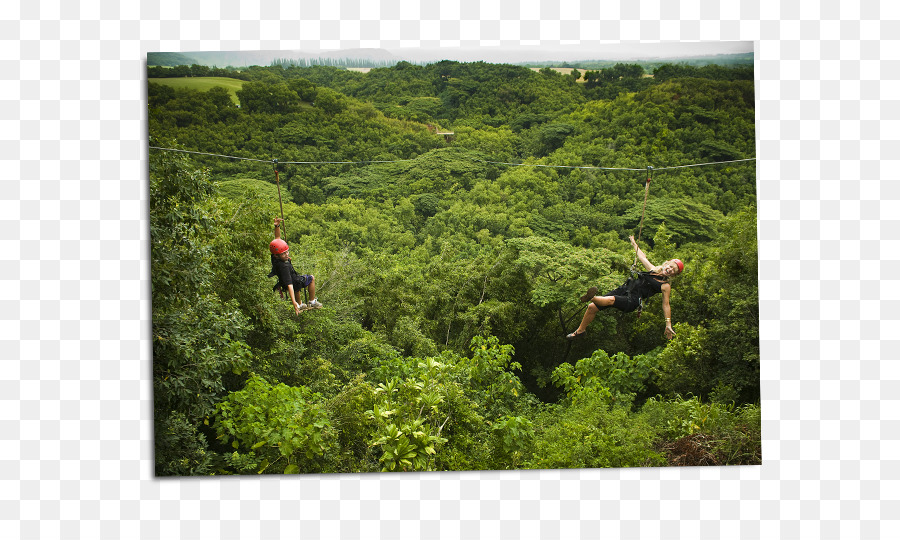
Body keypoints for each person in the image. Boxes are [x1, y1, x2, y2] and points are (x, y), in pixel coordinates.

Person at [566, 235, 682, 340]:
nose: (670, 270)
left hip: (633, 300)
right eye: (670, 266)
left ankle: (590, 297)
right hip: (626, 289)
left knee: (610, 300)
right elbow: (642, 257)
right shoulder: (652, 270)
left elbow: (666, 305)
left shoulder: (665, 286)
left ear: (674, 275)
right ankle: (580, 331)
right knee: (592, 308)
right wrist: (633, 242)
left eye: (673, 271)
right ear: (666, 264)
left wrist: (668, 324)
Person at [268, 217, 322, 315]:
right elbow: (290, 286)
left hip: (285, 281)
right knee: (311, 278)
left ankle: (300, 304)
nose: (287, 254)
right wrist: (293, 303)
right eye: (284, 254)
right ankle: (312, 301)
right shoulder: (284, 267)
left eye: (287, 252)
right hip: (291, 282)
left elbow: (277, 239)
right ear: (277, 255)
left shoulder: (275, 257)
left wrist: (277, 226)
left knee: (296, 283)